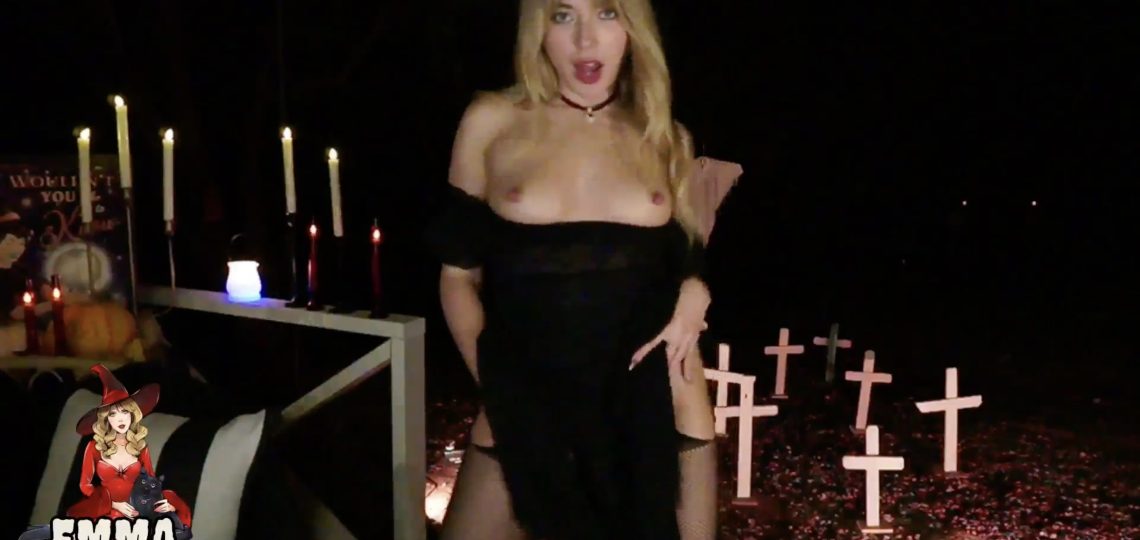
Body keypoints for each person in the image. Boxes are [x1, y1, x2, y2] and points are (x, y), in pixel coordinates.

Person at [426, 0, 717, 538]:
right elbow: (457, 276)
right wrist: (501, 387)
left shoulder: (665, 136)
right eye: (563, 16)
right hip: (527, 392)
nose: (586, 39)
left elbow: (685, 257)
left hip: (657, 400)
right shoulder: (492, 120)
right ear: (538, 29)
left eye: (607, 13)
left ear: (633, 28)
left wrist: (696, 288)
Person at [19, 365, 193, 540]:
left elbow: (149, 481)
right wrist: (113, 504)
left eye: (125, 411)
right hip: (102, 508)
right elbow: (85, 485)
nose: (120, 419)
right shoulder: (93, 448)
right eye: (113, 414)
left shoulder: (141, 447)